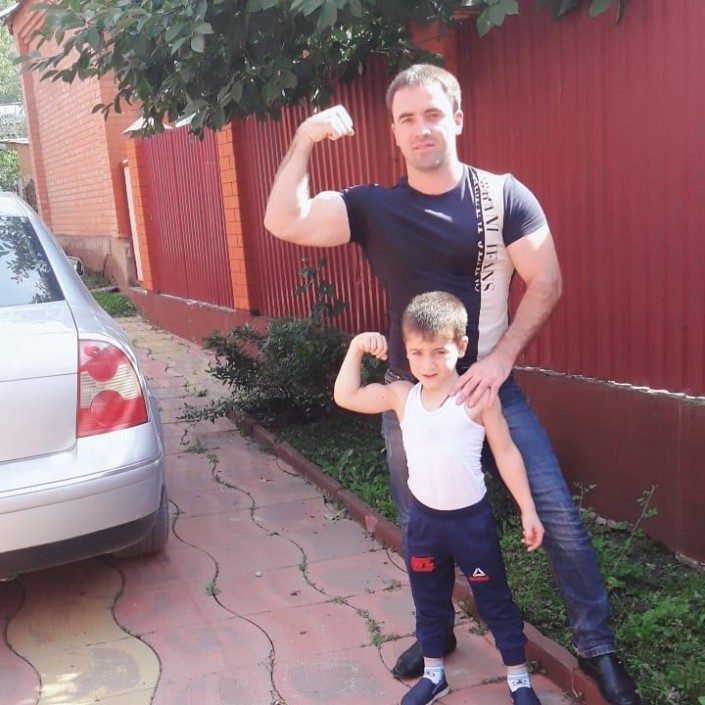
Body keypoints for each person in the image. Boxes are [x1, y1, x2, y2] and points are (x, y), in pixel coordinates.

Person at [263, 63, 640, 705]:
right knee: (420, 527)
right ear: (393, 132)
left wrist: (500, 361)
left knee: (556, 513)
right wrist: (303, 139)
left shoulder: (503, 197)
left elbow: (545, 281)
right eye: (407, 119)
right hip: (411, 399)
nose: (421, 129)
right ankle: (435, 636)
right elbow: (285, 221)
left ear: (457, 119)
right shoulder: (372, 208)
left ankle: (596, 648)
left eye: (433, 114)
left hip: (491, 389)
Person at [335, 291, 545, 705]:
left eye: (439, 352)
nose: (427, 364)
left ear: (461, 347)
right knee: (428, 599)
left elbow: (506, 452)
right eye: (417, 353)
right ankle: (434, 675)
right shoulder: (402, 396)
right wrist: (357, 347)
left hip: (470, 525)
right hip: (425, 524)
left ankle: (519, 679)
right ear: (405, 351)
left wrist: (528, 509)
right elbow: (346, 396)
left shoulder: (477, 397)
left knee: (494, 600)